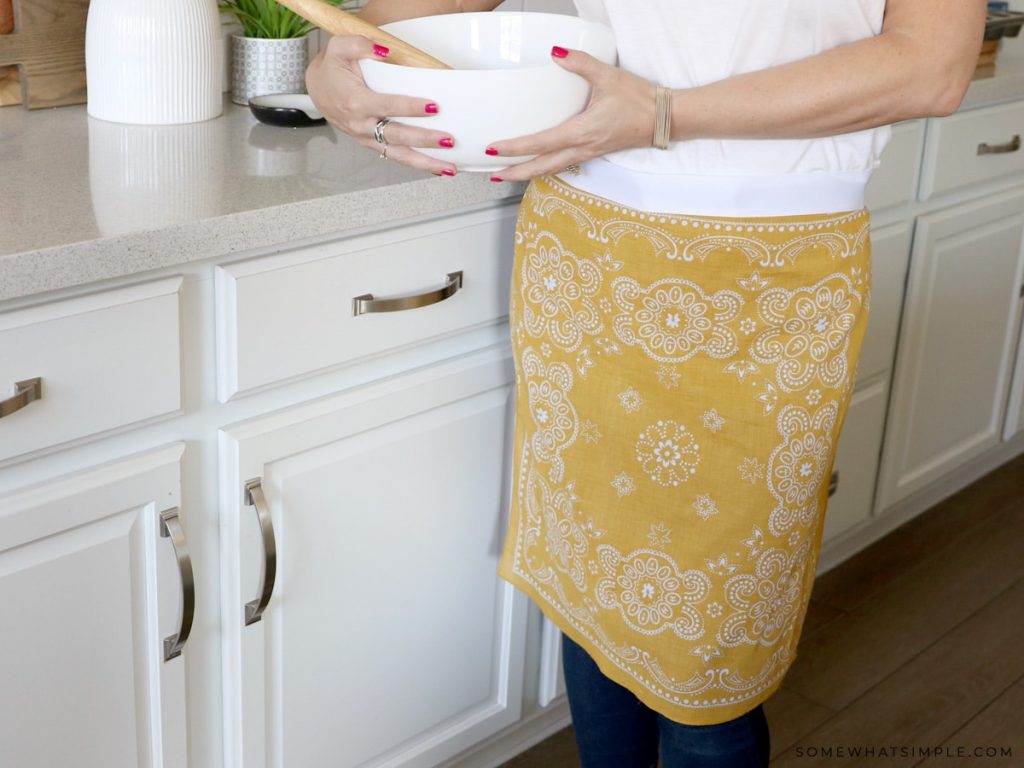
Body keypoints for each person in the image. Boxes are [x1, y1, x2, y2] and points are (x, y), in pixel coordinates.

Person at [306, 2, 986, 766]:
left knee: (709, 664)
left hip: (768, 279)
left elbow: (932, 68)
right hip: (588, 246)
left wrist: (665, 113)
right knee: (596, 604)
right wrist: (339, 53)